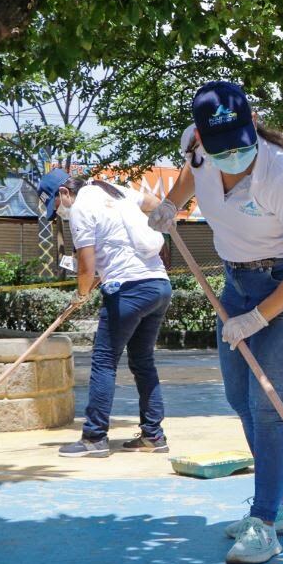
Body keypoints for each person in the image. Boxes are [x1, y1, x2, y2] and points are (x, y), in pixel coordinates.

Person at [149, 81, 283, 564]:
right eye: (220, 149)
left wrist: (257, 318)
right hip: (236, 282)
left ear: (254, 127)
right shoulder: (199, 146)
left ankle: (266, 520)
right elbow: (192, 174)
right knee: (239, 397)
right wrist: (172, 203)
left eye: (242, 146)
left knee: (270, 402)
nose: (234, 157)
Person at [37, 169, 173, 458]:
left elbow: (86, 265)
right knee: (143, 361)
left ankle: (94, 437)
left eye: (57, 205)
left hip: (127, 290)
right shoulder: (113, 190)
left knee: (103, 362)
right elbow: (153, 202)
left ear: (63, 193)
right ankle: (153, 435)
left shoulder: (80, 208)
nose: (59, 212)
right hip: (159, 285)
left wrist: (81, 293)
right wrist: (166, 214)